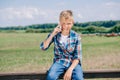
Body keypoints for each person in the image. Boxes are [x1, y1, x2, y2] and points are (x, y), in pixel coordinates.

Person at [40, 10, 84, 80]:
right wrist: (52, 34)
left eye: (69, 23)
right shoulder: (55, 34)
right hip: (59, 62)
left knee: (79, 78)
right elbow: (43, 47)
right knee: (51, 77)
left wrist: (70, 70)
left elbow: (77, 57)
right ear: (60, 23)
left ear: (72, 23)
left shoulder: (76, 36)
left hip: (73, 64)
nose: (66, 26)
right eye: (63, 23)